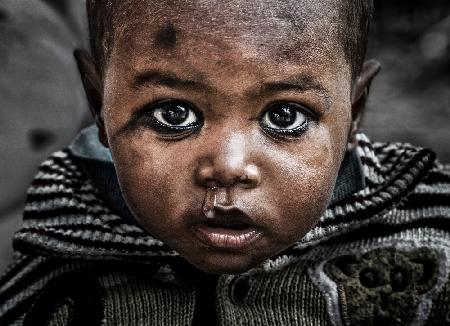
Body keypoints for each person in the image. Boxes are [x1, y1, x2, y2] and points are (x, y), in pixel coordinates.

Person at [1, 0, 449, 325]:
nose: (229, 166)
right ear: (100, 105)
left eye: (284, 115)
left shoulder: (433, 238)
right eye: (173, 114)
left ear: (354, 110)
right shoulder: (51, 264)